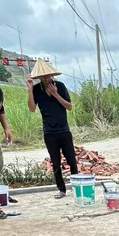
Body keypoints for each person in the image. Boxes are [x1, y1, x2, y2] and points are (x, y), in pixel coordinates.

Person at [26, 59, 78, 199]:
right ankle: (61, 189)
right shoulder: (37, 90)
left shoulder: (60, 86)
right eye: (43, 76)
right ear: (39, 78)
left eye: (48, 76)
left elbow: (69, 106)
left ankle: (76, 186)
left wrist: (55, 94)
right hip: (49, 132)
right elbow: (31, 108)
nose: (46, 79)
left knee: (72, 160)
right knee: (56, 162)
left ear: (52, 76)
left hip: (64, 130)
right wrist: (30, 90)